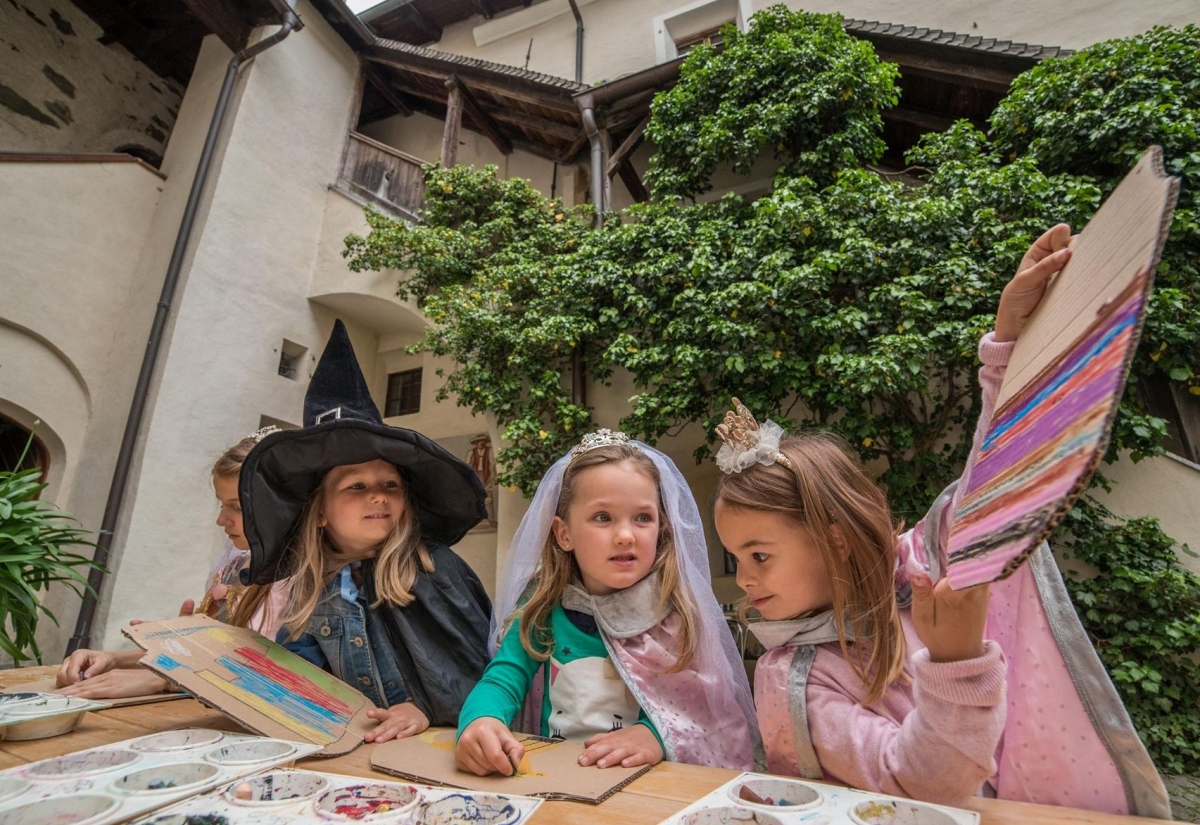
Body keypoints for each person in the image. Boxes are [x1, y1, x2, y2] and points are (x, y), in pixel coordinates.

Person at [712, 225, 1170, 817]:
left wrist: (1009, 342)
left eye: (760, 555)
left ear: (835, 541)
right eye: (737, 559)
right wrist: (956, 665)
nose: (745, 580)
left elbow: (995, 475)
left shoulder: (919, 568)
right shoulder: (791, 679)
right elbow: (920, 792)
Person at [238, 320, 492, 744]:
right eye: (357, 486)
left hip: (443, 751)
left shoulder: (434, 568)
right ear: (319, 512)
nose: (378, 496)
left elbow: (478, 675)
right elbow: (297, 677)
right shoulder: (312, 588)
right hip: (360, 752)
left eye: (390, 484)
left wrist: (423, 709)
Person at [455, 431, 758, 777]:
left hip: (644, 783)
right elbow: (504, 677)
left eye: (643, 518)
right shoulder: (543, 607)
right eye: (602, 517)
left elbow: (701, 706)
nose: (626, 535)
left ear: (661, 528)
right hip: (555, 777)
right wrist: (481, 720)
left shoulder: (673, 613)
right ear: (563, 533)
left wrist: (655, 734)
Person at [55, 428, 291, 699]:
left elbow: (272, 671)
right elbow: (213, 653)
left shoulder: (294, 578)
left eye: (237, 507)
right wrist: (114, 658)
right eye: (221, 505)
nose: (221, 520)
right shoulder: (237, 564)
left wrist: (167, 678)